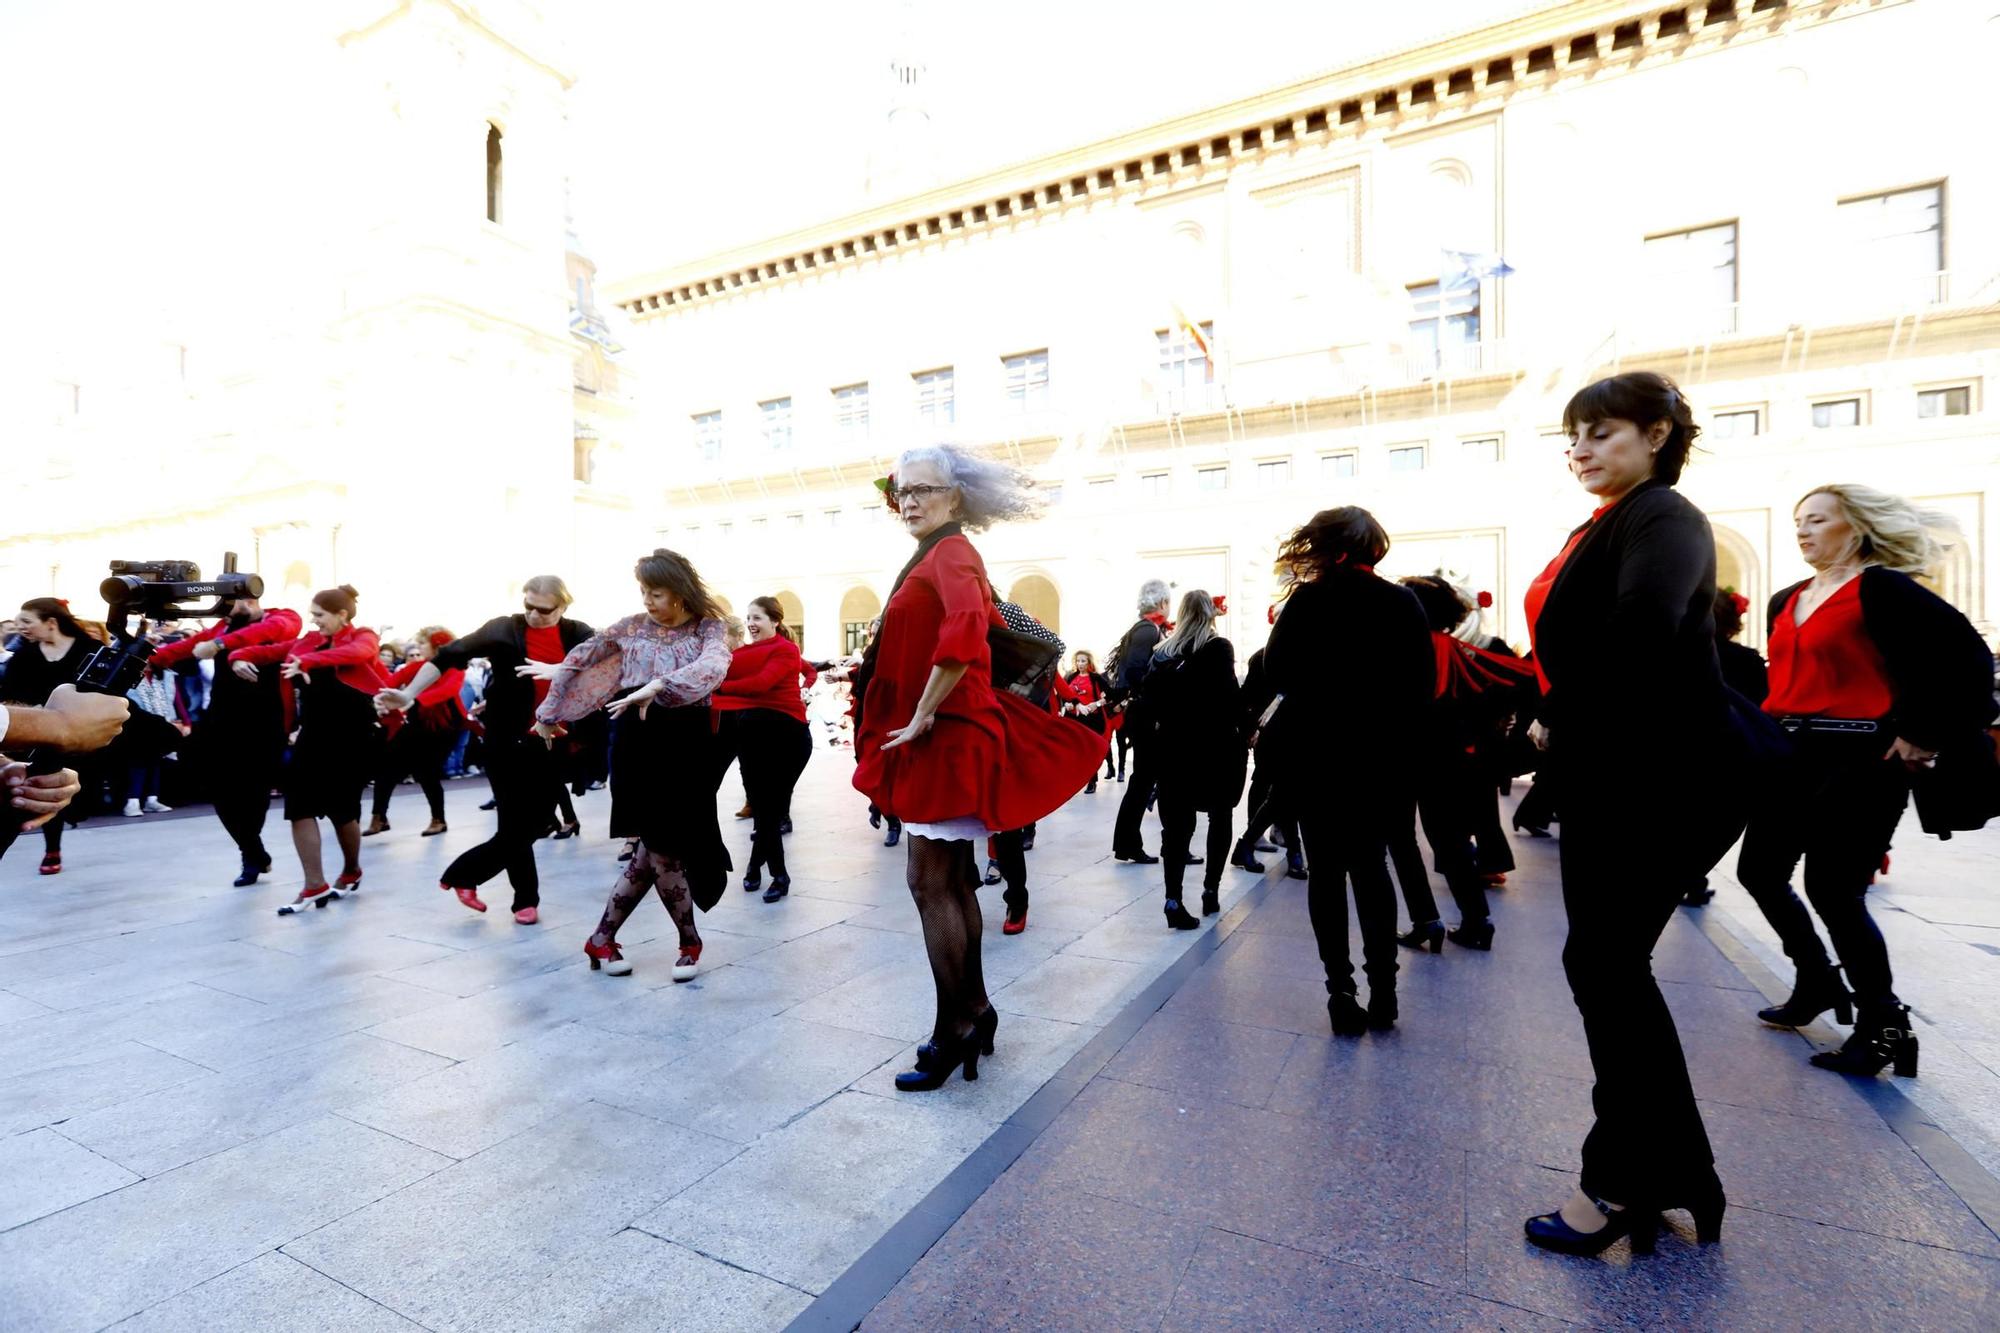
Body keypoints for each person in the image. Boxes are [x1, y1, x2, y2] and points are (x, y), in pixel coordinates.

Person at [1520, 371, 1730, 1256]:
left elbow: (1643, 624)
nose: (1581, 450)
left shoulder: (1664, 515)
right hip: (1617, 775)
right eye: (1573, 436)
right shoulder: (1607, 522)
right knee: (1607, 969)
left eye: (1601, 432)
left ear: (1655, 434)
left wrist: (1556, 713)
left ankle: (1617, 1183)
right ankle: (1678, 1176)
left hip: (1655, 778)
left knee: (1606, 968)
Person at [851, 445, 1101, 1091]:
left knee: (930, 883)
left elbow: (963, 632)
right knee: (953, 882)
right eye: (901, 491)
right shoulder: (937, 552)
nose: (909, 500)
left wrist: (925, 710)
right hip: (945, 735)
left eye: (923, 490)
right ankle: (976, 1011)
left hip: (948, 737)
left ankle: (953, 1029)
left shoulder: (952, 552)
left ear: (954, 497)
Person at [1736, 485, 1996, 1077]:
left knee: (1833, 888)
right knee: (1759, 871)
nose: (1802, 531)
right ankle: (1817, 979)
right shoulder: (1787, 598)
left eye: (1818, 521)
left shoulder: (1883, 589)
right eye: (1798, 521)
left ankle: (1884, 1023)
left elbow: (1969, 662)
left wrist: (1925, 733)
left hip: (1859, 756)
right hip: (1787, 752)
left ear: (1854, 527)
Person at [1265, 509, 1432, 1037]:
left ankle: (1340, 989)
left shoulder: (1307, 601)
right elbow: (1421, 684)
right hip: (1379, 761)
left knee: (1326, 873)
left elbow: (1276, 673)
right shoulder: (1401, 602)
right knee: (1372, 868)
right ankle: (1384, 989)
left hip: (1316, 759)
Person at [539, 550, 731, 981]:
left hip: (687, 741)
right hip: (637, 740)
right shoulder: (629, 626)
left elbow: (714, 667)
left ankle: (602, 939)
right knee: (662, 849)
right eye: (643, 591)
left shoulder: (708, 628)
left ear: (680, 593)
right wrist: (548, 713)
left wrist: (662, 684)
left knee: (656, 849)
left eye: (656, 593)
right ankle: (688, 940)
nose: (647, 600)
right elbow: (580, 659)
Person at [377, 576, 593, 923]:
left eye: (544, 609)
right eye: (528, 606)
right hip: (506, 741)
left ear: (563, 606)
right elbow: (448, 655)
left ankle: (464, 874)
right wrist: (408, 695)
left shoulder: (577, 632)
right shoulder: (504, 629)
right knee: (512, 821)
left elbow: (602, 660)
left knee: (538, 822)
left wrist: (560, 669)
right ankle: (525, 901)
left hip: (553, 740)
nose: (534, 615)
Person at [230, 586, 392, 914]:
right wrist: (237, 657)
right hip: (313, 735)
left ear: (341, 615)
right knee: (299, 806)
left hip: (354, 735)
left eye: (319, 615)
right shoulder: (306, 642)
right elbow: (268, 651)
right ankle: (314, 885)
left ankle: (351, 870)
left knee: (342, 811)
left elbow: (357, 655)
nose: (313, 621)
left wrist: (308, 660)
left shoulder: (363, 637)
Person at [1399, 575, 1539, 950]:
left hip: (1409, 758)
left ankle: (1427, 920)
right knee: (1451, 841)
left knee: (1405, 841)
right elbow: (1519, 679)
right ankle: (1478, 920)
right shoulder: (1457, 649)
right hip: (1456, 757)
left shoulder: (1403, 649)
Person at [150, 594, 303, 885]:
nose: (222, 611)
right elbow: (184, 648)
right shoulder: (223, 626)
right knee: (211, 781)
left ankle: (251, 854)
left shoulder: (281, 617)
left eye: (227, 603)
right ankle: (252, 849)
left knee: (254, 792)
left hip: (266, 722)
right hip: (221, 721)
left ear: (248, 600)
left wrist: (221, 646)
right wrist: (149, 659)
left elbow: (270, 632)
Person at [1137, 590, 1245, 926]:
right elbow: (1230, 698)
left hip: (1173, 749)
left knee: (1177, 829)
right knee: (1220, 815)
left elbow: (1148, 702)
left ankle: (1173, 899)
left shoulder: (1163, 652)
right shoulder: (1218, 648)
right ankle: (1211, 889)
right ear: (1210, 614)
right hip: (1214, 748)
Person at [713, 595, 815, 902]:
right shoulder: (740, 654)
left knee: (770, 809)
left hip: (788, 739)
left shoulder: (787, 650)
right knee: (764, 809)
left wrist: (720, 686)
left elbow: (762, 684)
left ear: (775, 621)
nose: (751, 624)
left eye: (757, 617)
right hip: (752, 737)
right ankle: (757, 866)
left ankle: (779, 875)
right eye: (748, 618)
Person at [1, 599, 107, 875]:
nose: (19, 627)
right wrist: (34, 715)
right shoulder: (24, 656)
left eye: (26, 621)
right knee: (44, 784)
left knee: (77, 796)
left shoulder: (90, 650)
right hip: (38, 739)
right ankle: (52, 849)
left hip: (86, 739)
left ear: (51, 623)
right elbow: (8, 694)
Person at [365, 628, 465, 838]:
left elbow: (447, 690)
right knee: (387, 764)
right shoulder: (418, 667)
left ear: (437, 646)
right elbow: (391, 682)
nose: (417, 648)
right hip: (417, 720)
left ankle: (438, 819)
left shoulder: (455, 667)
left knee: (427, 772)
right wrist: (380, 696)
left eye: (421, 644)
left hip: (445, 725)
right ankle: (379, 817)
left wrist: (411, 699)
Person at [1109, 579, 1174, 862]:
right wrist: (1155, 699)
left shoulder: (1146, 628)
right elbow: (1135, 672)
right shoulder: (1148, 630)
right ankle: (1130, 844)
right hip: (1145, 714)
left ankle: (1128, 844)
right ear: (1161, 603)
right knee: (1143, 781)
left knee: (1143, 780)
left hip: (1142, 712)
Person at [1059, 649, 1114, 793]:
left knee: (1089, 750)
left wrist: (1096, 704)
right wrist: (1066, 704)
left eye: (1083, 661)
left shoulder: (1096, 678)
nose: (1080, 663)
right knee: (1073, 751)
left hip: (1091, 719)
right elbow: (1063, 695)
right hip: (1073, 719)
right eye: (1078, 661)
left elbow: (1111, 695)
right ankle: (1075, 780)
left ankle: (1092, 781)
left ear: (1089, 662)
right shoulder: (1070, 677)